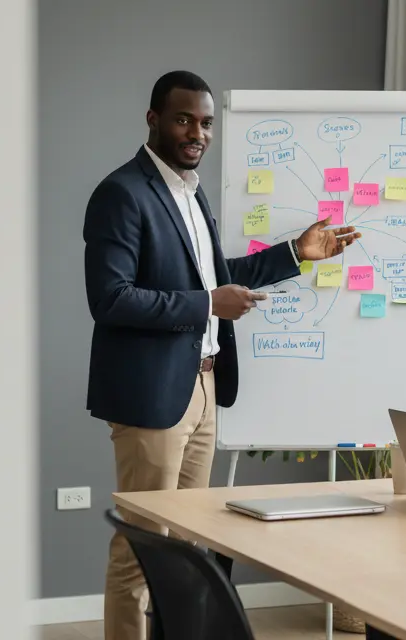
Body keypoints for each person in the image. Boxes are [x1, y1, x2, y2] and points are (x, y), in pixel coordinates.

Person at [84, 70, 359, 640]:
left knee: (186, 549)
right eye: (185, 119)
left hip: (205, 387)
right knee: (142, 547)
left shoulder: (190, 191)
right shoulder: (122, 193)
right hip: (154, 397)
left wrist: (296, 254)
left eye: (207, 122)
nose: (198, 133)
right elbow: (110, 299)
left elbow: (219, 277)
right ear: (154, 120)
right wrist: (209, 302)